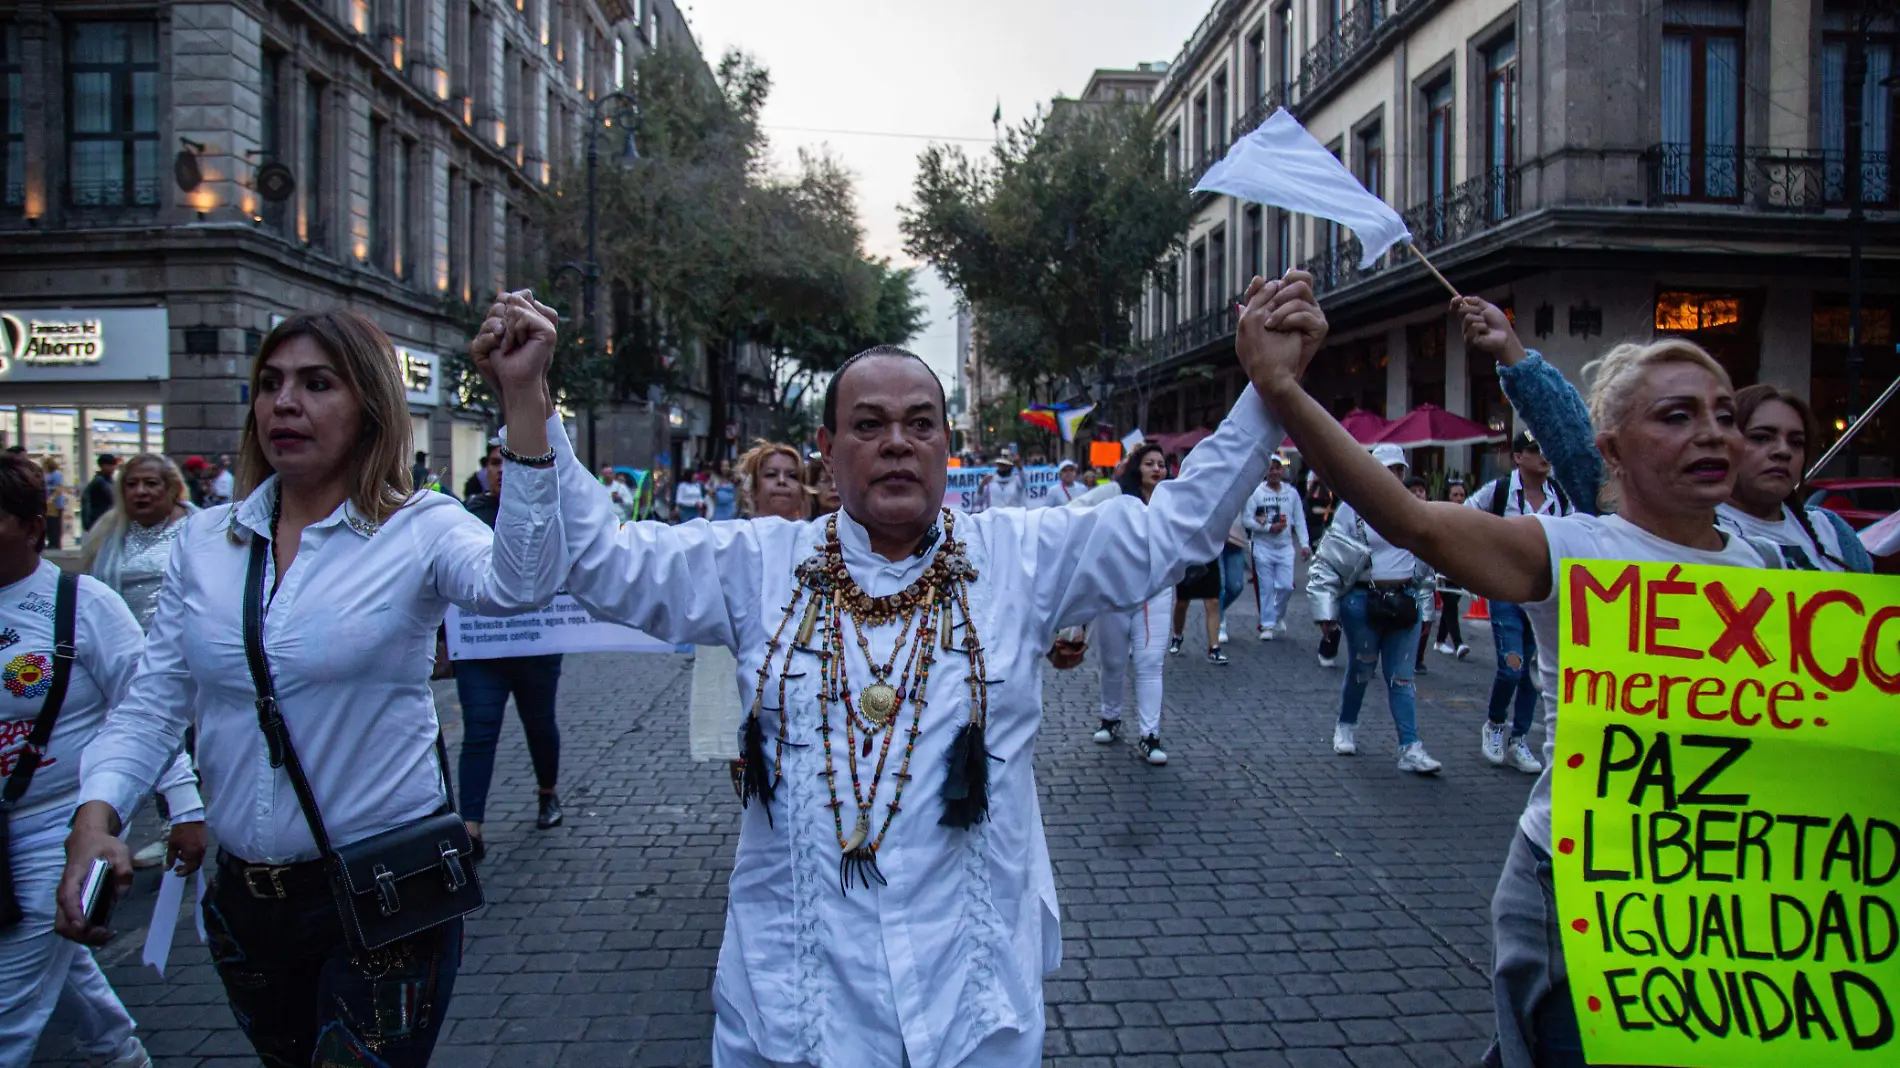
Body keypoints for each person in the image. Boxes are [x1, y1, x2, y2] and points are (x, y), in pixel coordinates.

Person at [484, 273, 1321, 1066]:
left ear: (946, 446)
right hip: (794, 1006)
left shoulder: (1020, 555)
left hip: (971, 1004)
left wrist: (1266, 393)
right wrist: (529, 398)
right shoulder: (752, 565)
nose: (896, 444)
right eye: (869, 424)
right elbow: (595, 561)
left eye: (920, 424)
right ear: (827, 449)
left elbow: (1175, 531)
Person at [1259, 299, 1773, 1068]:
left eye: (1726, 416)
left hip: (1727, 891)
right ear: (1613, 450)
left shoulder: (1776, 570)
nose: (1712, 433)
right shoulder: (1575, 552)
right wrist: (1284, 392)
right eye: (1676, 416)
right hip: (1585, 883)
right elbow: (1413, 522)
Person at [57, 307, 563, 1066]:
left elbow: (522, 582)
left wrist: (524, 401)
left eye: (316, 384)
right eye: (270, 384)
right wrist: (95, 820)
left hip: (386, 896)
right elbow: (154, 701)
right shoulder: (207, 542)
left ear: (367, 410)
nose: (283, 403)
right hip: (244, 909)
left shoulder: (419, 528)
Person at [0, 452, 203, 1068]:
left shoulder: (79, 604)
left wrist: (185, 803)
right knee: (64, 976)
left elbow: (146, 709)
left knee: (8, 1006)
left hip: (57, 832)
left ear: (33, 526)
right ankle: (119, 1056)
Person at [1465, 294, 1874, 577]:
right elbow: (1577, 445)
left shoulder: (1832, 535)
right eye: (1762, 437)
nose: (1781, 452)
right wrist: (1513, 354)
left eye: (1796, 441)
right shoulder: (1668, 521)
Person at [77, 452, 205, 869]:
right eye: (132, 484)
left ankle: (183, 818)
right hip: (124, 659)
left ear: (172, 489)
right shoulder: (107, 535)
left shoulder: (198, 531)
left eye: (151, 484)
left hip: (185, 659)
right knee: (138, 738)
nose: (141, 492)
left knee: (182, 741)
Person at [455, 444, 565, 859]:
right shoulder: (466, 518)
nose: (501, 470)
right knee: (479, 731)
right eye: (494, 463)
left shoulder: (550, 517)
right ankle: (471, 828)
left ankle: (547, 792)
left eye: (509, 463)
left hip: (536, 648)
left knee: (539, 724)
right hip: (481, 650)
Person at [1306, 443, 1441, 774]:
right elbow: (1328, 561)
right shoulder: (1352, 509)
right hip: (1361, 601)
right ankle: (1346, 724)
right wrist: (1325, 611)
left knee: (1402, 678)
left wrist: (1426, 610)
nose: (1394, 475)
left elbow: (1425, 569)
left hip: (1405, 600)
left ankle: (1410, 747)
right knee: (1362, 668)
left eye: (1399, 470)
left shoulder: (1415, 509)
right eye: (1387, 469)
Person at [1463, 429, 1569, 774]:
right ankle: (1494, 725)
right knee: (1511, 667)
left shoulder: (1561, 497)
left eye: (1547, 448)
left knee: (1534, 675)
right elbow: (1466, 516)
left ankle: (1519, 739)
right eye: (1535, 449)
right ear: (1518, 457)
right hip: (1506, 591)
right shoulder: (1500, 491)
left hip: (1545, 596)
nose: (1544, 456)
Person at [1086, 442, 1175, 765]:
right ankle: (1110, 717)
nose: (1156, 469)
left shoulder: (1173, 503)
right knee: (1113, 662)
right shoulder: (1116, 498)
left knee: (1150, 664)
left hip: (1156, 591)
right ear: (1137, 467)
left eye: (1161, 464)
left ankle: (1150, 735)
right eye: (1149, 463)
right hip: (1115, 590)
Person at [1241, 454, 1308, 640]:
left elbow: (1300, 519)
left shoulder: (1291, 493)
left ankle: (1276, 616)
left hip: (1285, 547)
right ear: (1264, 471)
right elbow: (1247, 519)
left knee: (1286, 587)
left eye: (1278, 468)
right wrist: (1268, 527)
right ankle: (1267, 625)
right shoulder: (1256, 493)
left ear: (1282, 470)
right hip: (1263, 546)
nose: (1275, 472)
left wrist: (1305, 544)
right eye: (1271, 468)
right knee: (1266, 587)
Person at [1432, 479, 1472, 658]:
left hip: (1460, 563)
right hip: (1441, 562)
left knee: (1453, 601)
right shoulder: (1439, 513)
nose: (1459, 498)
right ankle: (1459, 643)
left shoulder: (1469, 514)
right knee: (1449, 601)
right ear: (1447, 497)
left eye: (1462, 495)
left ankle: (1440, 641)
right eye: (1455, 495)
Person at [737, 442, 805, 522]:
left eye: (792, 476)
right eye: (771, 474)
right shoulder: (733, 533)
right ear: (753, 490)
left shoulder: (818, 533)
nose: (782, 480)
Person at [82, 454, 117, 532]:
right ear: (102, 466)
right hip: (100, 519)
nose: (113, 468)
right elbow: (86, 501)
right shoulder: (99, 482)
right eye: (110, 465)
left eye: (114, 465)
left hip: (107, 519)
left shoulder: (109, 481)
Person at [38, 457, 65, 551]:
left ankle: (55, 543)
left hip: (55, 504)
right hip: (49, 505)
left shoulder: (57, 475)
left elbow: (58, 489)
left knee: (55, 525)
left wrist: (51, 499)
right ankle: (51, 542)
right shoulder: (47, 475)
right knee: (49, 524)